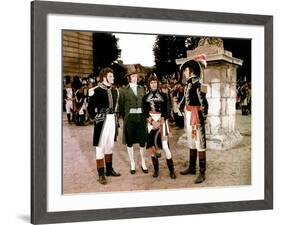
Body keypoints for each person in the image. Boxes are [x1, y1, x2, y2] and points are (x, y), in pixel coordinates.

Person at [88, 67, 121, 185]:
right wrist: (96, 118)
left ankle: (109, 169)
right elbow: (90, 109)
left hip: (112, 119)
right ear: (104, 77)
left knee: (110, 145)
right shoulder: (95, 90)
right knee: (100, 147)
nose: (113, 78)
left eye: (113, 76)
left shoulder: (114, 90)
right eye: (110, 76)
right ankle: (101, 174)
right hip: (102, 122)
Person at [179, 54, 209, 184]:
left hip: (196, 117)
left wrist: (202, 119)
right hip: (188, 114)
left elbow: (204, 103)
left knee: (199, 143)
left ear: (191, 70)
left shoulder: (198, 84)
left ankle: (202, 172)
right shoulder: (189, 84)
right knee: (191, 141)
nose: (184, 73)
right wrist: (180, 107)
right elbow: (185, 98)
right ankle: (192, 168)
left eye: (186, 70)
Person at [144, 73, 176, 179]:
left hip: (162, 123)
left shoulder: (163, 96)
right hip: (150, 124)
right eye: (151, 83)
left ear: (157, 84)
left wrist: (161, 121)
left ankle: (172, 170)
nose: (153, 84)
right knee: (153, 147)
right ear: (149, 84)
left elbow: (167, 110)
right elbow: (144, 112)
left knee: (165, 147)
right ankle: (156, 170)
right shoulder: (145, 97)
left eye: (155, 82)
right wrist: (152, 122)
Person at [119, 66, 148, 174]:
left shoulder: (142, 89)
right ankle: (132, 163)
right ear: (129, 78)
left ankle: (143, 162)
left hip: (141, 117)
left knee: (142, 141)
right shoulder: (123, 91)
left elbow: (145, 104)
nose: (135, 78)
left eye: (136, 76)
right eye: (132, 76)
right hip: (129, 118)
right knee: (130, 141)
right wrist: (125, 118)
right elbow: (121, 107)